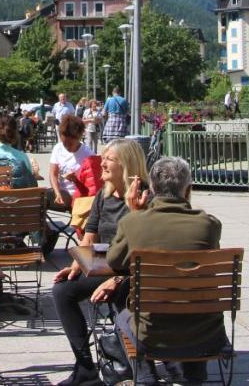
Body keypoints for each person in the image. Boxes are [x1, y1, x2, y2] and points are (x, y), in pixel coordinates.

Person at [104, 156, 225, 385]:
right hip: (206, 332)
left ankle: (146, 377)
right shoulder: (209, 225)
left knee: (122, 313)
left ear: (152, 189)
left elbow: (114, 260)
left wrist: (134, 214)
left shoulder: (134, 223)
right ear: (187, 190)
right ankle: (193, 376)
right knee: (191, 303)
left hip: (153, 334)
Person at [52, 139, 149, 386]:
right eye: (103, 157)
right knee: (63, 289)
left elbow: (144, 246)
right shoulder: (103, 196)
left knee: (120, 296)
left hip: (132, 272)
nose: (102, 163)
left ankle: (125, 363)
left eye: (109, 159)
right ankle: (85, 367)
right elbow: (90, 235)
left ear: (126, 165)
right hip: (104, 265)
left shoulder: (143, 196)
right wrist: (78, 264)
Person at [49, 114, 94, 209]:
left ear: (78, 138)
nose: (67, 147)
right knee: (38, 197)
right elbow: (53, 173)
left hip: (79, 195)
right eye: (64, 143)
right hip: (62, 192)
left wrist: (76, 179)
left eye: (70, 144)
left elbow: (92, 185)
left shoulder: (88, 155)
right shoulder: (58, 148)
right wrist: (57, 193)